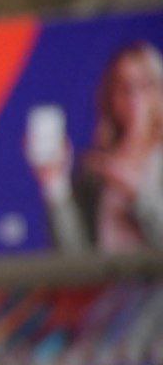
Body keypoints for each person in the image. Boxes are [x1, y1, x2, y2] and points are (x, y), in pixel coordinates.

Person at [35, 40, 163, 253]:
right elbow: (74, 258)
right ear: (110, 96)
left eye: (144, 84)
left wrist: (138, 195)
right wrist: (55, 184)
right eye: (123, 86)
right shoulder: (96, 171)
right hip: (111, 276)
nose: (134, 96)